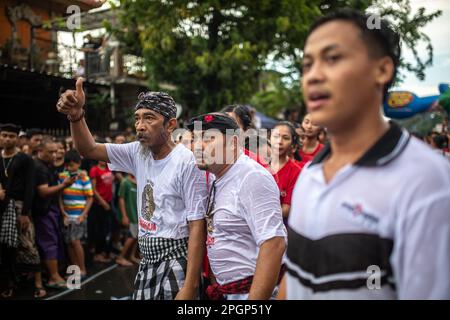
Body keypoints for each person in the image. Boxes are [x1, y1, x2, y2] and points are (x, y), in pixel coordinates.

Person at [279, 9, 450, 300]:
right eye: (307, 65)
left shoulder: (427, 181)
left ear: (382, 70)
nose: (313, 76)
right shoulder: (310, 175)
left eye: (333, 58)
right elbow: (292, 279)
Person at [56, 82, 208, 300]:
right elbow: (87, 149)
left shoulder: (186, 162)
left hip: (176, 262)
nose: (140, 125)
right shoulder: (139, 152)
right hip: (147, 260)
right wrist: (76, 116)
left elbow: (197, 226)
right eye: (137, 118)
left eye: (149, 118)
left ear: (170, 124)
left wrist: (190, 286)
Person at [188, 113, 286, 300]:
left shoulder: (252, 177)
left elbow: (274, 244)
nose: (198, 147)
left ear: (233, 142)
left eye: (208, 139)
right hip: (229, 292)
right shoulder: (220, 176)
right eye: (194, 139)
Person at [0, 124, 46, 299]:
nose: (7, 139)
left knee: (28, 244)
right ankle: (9, 284)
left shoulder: (25, 159)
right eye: (4, 135)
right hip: (3, 207)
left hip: (19, 207)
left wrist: (25, 213)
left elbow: (30, 188)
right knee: (7, 248)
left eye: (11, 136)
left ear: (17, 139)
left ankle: (38, 284)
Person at [33, 136, 76, 290]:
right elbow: (43, 191)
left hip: (52, 209)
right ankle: (53, 276)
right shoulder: (39, 167)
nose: (54, 155)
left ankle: (55, 274)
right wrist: (64, 185)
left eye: (55, 152)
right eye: (50, 152)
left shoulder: (47, 165)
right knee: (49, 242)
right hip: (43, 211)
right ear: (40, 151)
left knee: (55, 241)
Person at [59, 149, 93, 278]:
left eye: (72, 165)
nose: (69, 167)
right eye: (67, 165)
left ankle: (82, 269)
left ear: (79, 163)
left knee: (75, 241)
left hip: (79, 215)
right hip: (67, 215)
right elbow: (60, 197)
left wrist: (83, 214)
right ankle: (75, 269)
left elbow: (90, 197)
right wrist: (63, 213)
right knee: (69, 242)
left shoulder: (83, 177)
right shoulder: (62, 176)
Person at [269, 122, 303, 224]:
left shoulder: (296, 171)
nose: (279, 141)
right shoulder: (258, 165)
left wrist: (259, 213)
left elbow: (286, 210)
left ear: (293, 144)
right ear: (268, 138)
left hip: (280, 228)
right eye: (276, 136)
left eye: (285, 138)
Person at [222, 104, 269, 169]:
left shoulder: (258, 164)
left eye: (232, 125)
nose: (226, 130)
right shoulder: (208, 162)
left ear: (246, 130)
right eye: (222, 124)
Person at [89, 160, 114, 263]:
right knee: (99, 230)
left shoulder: (109, 168)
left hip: (108, 202)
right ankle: (97, 254)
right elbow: (93, 189)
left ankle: (104, 251)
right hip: (99, 204)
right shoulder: (94, 170)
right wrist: (103, 202)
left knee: (107, 228)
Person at [116, 174, 139, 266]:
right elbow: (121, 199)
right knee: (131, 237)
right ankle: (120, 257)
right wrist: (124, 216)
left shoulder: (138, 181)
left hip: (138, 214)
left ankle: (131, 256)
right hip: (130, 214)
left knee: (136, 236)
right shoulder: (125, 182)